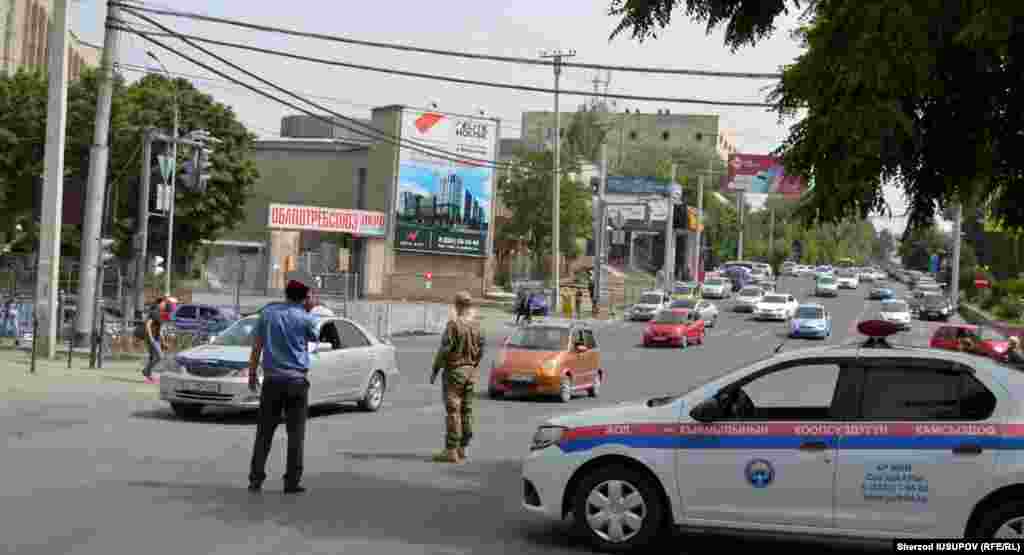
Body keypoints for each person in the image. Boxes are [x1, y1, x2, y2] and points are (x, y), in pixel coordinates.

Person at [247, 279, 319, 494]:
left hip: (272, 382)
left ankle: (256, 479)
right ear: (304, 298)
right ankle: (292, 482)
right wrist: (308, 309)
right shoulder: (306, 318)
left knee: (264, 433)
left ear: (286, 294)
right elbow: (314, 337)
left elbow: (257, 346)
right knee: (296, 435)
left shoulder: (267, 314)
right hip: (296, 382)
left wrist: (252, 373)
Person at [430, 291, 485, 464]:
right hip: (470, 372)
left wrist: (435, 369)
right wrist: (473, 366)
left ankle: (451, 450)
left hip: (454, 372)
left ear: (457, 305)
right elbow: (481, 350)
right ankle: (463, 447)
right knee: (467, 410)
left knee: (453, 410)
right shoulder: (477, 326)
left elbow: (445, 350)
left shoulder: (454, 325)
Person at [141, 297, 166, 382]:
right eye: (163, 303)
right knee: (160, 356)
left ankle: (148, 374)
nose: (164, 305)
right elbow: (148, 325)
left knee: (153, 357)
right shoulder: (154, 312)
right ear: (159, 304)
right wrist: (151, 337)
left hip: (157, 338)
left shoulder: (159, 314)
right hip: (152, 338)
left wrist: (163, 342)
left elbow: (160, 330)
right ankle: (146, 371)